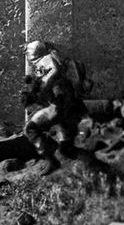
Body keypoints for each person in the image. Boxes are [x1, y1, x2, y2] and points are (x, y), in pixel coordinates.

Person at [22, 39, 89, 175]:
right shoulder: (53, 57)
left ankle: (52, 161)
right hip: (66, 103)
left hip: (59, 104)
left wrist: (43, 86)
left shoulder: (46, 60)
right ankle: (79, 163)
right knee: (64, 139)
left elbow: (54, 70)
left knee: (31, 128)